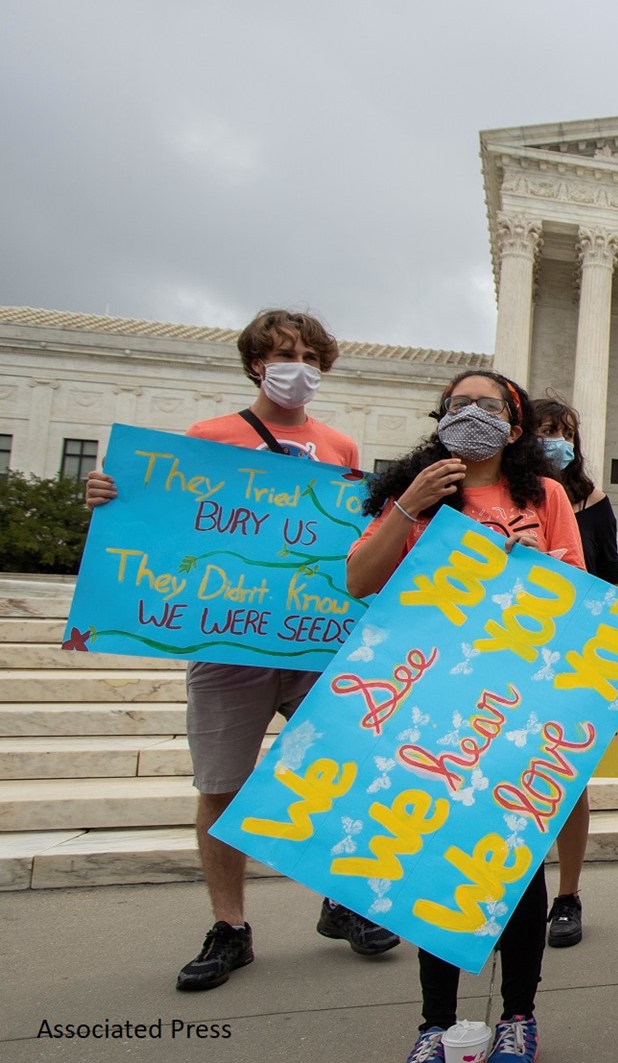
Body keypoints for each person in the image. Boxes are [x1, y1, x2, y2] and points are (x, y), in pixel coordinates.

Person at [83, 309, 399, 991]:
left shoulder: (340, 448)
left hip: (314, 641)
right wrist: (112, 499)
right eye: (285, 354)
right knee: (221, 787)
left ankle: (341, 900)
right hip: (227, 644)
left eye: (311, 355)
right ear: (256, 362)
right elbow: (169, 520)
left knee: (340, 773)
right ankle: (231, 926)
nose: (299, 368)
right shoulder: (210, 438)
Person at [347, 369, 576, 1063]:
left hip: (515, 701)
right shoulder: (408, 494)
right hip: (431, 702)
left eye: (487, 405)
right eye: (458, 404)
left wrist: (541, 569)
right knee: (433, 863)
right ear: (439, 416)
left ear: (514, 427)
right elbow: (361, 581)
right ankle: (435, 1024)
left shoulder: (548, 497)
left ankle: (518, 1016)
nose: (470, 413)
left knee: (519, 866)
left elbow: (583, 594)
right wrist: (409, 508)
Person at [529, 396, 618, 948]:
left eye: (564, 430)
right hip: (505, 653)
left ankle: (567, 895)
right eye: (545, 429)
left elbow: (611, 577)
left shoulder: (592, 500)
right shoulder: (497, 496)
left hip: (570, 654)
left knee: (567, 783)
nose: (555, 439)